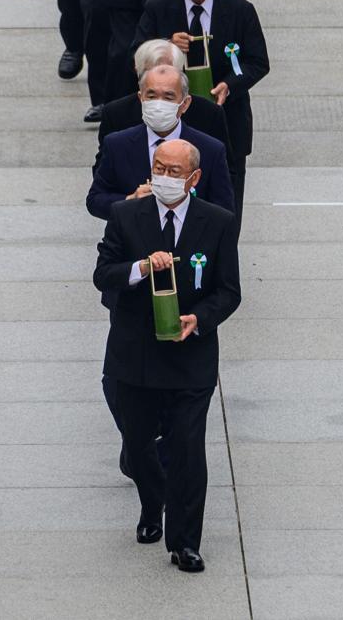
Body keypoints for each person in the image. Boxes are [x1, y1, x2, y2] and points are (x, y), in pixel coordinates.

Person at [94, 138, 240, 574]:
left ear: (194, 179)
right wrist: (140, 268)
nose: (165, 176)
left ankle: (184, 541)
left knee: (188, 449)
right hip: (134, 355)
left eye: (175, 171)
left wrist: (200, 318)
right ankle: (151, 501)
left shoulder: (217, 222)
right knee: (139, 445)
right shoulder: (126, 215)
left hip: (189, 359)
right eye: (159, 166)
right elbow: (103, 273)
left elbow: (229, 291)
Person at [132, 0, 268, 220]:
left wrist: (230, 84)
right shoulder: (157, 8)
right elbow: (136, 56)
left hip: (226, 122)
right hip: (175, 125)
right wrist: (167, 46)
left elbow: (257, 61)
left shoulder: (240, 11)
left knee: (226, 209)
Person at [87, 65, 234, 221]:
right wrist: (130, 200)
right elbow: (95, 199)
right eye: (151, 96)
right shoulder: (117, 144)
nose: (158, 104)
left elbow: (224, 211)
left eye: (168, 97)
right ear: (140, 98)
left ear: (185, 104)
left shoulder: (210, 149)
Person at [97, 39, 233, 172]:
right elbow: (103, 176)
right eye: (150, 73)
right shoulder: (116, 114)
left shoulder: (209, 114)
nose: (159, 80)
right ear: (137, 72)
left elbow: (226, 172)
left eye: (166, 72)